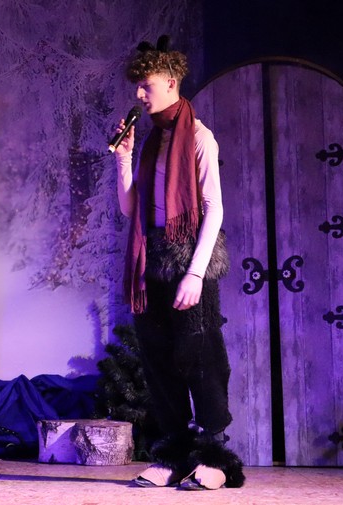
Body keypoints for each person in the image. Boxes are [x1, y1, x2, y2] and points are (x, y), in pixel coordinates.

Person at [112, 36, 244, 490]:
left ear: (171, 82)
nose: (139, 94)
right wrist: (124, 160)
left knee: (201, 358)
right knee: (158, 360)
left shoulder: (200, 137)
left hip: (188, 259)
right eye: (137, 86)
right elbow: (131, 208)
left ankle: (216, 459)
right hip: (152, 259)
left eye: (146, 85)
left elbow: (214, 208)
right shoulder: (152, 141)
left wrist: (195, 272)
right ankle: (173, 454)